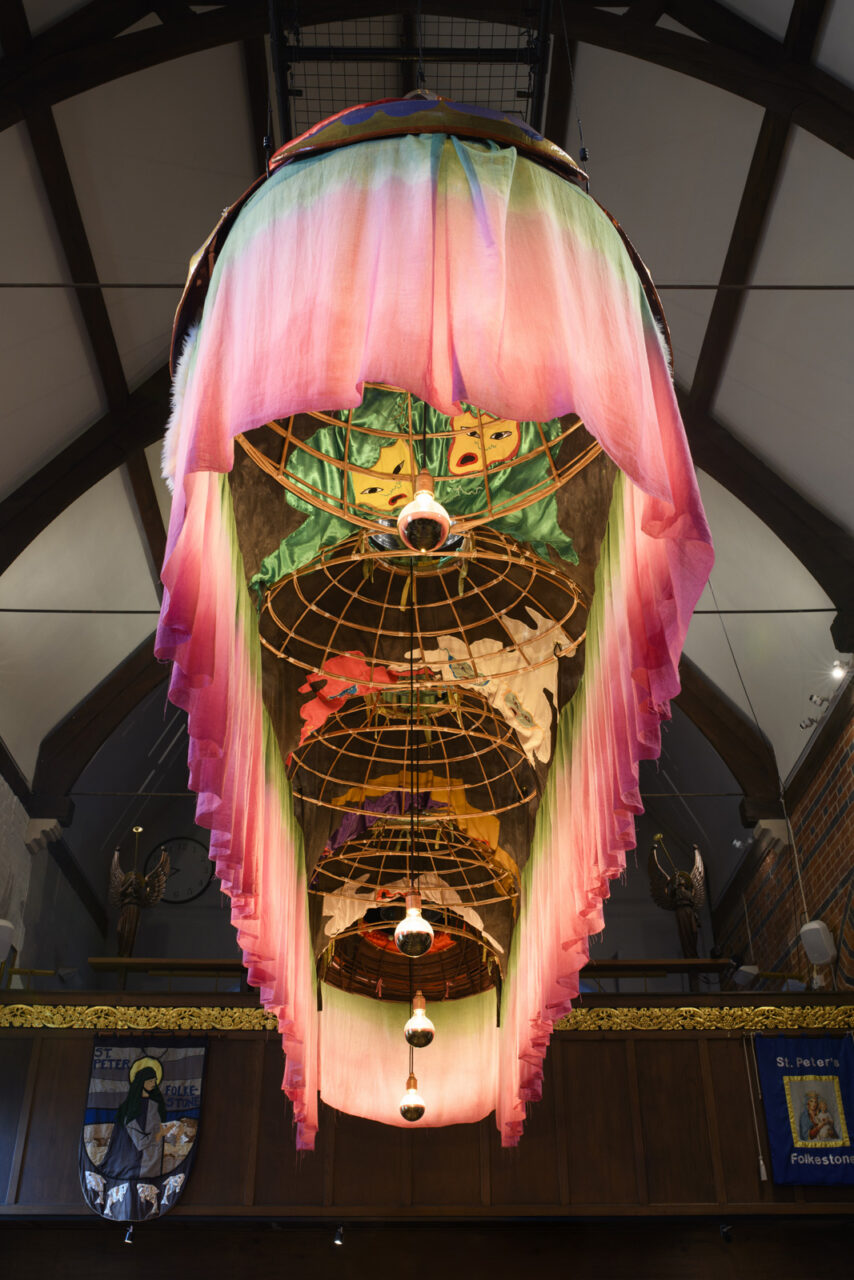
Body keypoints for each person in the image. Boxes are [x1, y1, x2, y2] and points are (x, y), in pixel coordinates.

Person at [99, 1056, 169, 1180]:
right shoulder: (130, 1107)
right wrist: (158, 1134)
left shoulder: (155, 1104)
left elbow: (158, 1126)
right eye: (150, 1081)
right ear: (141, 1082)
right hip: (130, 1154)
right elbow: (137, 1138)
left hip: (152, 1154)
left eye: (155, 1080)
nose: (153, 1084)